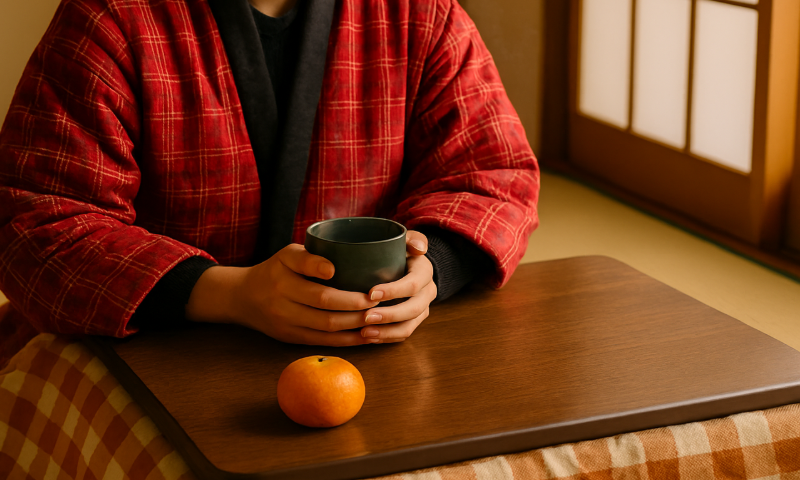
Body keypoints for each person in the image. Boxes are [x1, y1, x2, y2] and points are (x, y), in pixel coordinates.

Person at [0, 0, 539, 364]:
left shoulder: (418, 10)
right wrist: (233, 296)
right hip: (144, 348)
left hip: (370, 351)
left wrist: (431, 270)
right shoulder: (111, 15)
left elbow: (494, 173)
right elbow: (35, 222)